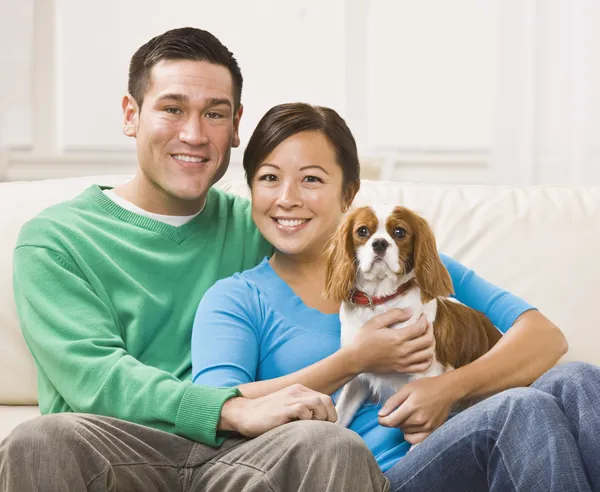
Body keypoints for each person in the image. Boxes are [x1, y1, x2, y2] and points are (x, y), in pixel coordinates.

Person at [0, 28, 391, 492]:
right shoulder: (55, 240)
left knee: (331, 446)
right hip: (119, 450)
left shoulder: (269, 223)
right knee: (38, 440)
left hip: (246, 454)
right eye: (172, 109)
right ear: (131, 114)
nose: (194, 133)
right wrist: (226, 408)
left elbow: (392, 259)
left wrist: (446, 382)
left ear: (236, 126)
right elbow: (98, 379)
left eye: (214, 114)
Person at [192, 102, 600, 491]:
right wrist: (355, 360)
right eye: (269, 178)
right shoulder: (236, 298)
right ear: (250, 190)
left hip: (467, 438)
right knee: (522, 408)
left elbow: (546, 338)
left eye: (311, 179)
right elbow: (216, 409)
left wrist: (448, 389)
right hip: (379, 476)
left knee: (579, 379)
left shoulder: (412, 266)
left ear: (349, 193)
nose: (288, 197)